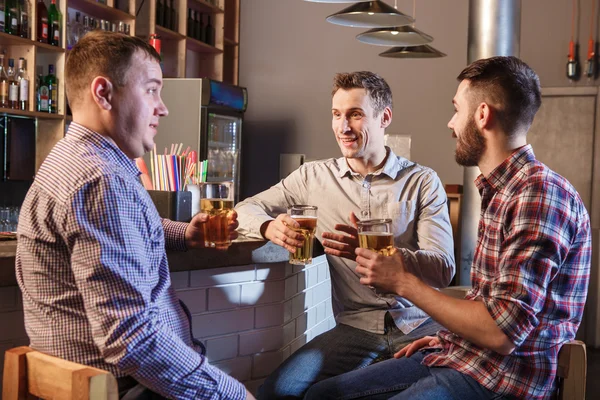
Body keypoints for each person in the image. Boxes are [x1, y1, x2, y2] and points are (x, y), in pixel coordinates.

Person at [304, 56, 592, 400]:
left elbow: (502, 332)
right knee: (321, 395)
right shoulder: (505, 189)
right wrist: (449, 338)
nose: (451, 123)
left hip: (500, 380)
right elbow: (490, 302)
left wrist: (401, 281)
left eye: (457, 109)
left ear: (482, 115)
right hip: (470, 358)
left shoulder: (537, 194)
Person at [15, 31, 254, 400]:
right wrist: (232, 396)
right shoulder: (101, 180)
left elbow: (117, 231)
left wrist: (182, 234)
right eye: (152, 90)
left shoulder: (73, 161)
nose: (163, 107)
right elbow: (132, 339)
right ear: (103, 93)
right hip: (128, 389)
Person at [235, 71, 455, 399]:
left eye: (355, 114)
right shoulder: (312, 177)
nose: (343, 127)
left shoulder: (422, 181)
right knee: (277, 392)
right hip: (356, 328)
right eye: (336, 115)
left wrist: (381, 253)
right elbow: (243, 209)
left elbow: (443, 268)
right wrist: (270, 227)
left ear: (384, 118)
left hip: (420, 324)